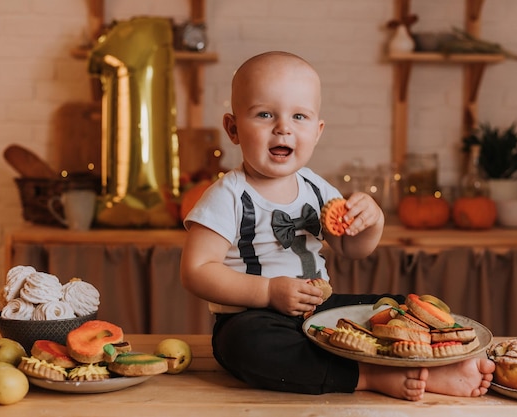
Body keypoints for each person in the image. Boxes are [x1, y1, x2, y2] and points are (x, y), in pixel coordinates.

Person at [180, 51, 495, 401]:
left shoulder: (317, 189)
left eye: (299, 116)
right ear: (233, 128)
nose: (283, 127)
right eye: (265, 114)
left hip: (318, 311)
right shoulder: (227, 195)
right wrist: (268, 292)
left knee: (393, 306)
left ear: (317, 132)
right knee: (246, 347)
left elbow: (351, 248)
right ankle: (368, 375)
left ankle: (437, 362)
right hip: (254, 318)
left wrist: (373, 222)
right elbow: (196, 271)